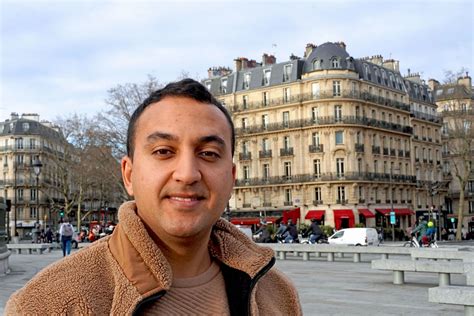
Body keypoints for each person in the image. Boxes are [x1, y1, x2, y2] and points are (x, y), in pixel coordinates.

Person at [6, 79, 301, 315]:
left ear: (232, 177)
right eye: (163, 152)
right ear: (129, 175)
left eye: (208, 154)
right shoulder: (46, 305)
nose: (187, 174)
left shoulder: (278, 295)